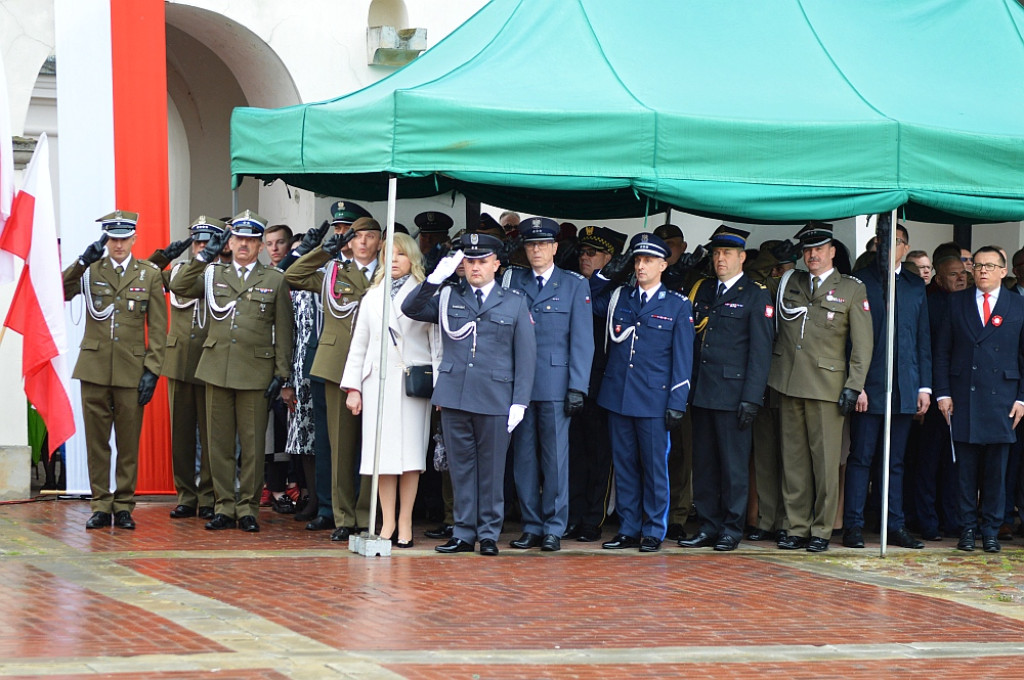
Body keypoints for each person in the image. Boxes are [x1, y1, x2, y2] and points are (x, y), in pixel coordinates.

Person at [402, 233, 537, 556]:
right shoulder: (449, 296)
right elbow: (411, 308)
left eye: (482, 261)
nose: (475, 267)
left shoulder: (514, 301)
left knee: (491, 470)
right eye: (470, 261)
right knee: (460, 468)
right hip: (455, 394)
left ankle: (488, 532)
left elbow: (526, 356)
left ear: (496, 264)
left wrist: (520, 400)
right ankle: (463, 531)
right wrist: (434, 279)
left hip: (495, 396)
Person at [169, 210, 294, 533]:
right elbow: (179, 285)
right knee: (219, 444)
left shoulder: (274, 280)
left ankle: (248, 507)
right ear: (230, 240)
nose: (243, 245)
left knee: (252, 446)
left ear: (260, 246)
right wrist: (205, 255)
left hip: (255, 370)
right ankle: (224, 505)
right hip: (216, 368)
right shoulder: (213, 275)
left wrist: (281, 374)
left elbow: (284, 330)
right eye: (238, 238)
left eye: (251, 240)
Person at [768, 221, 872, 552]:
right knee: (794, 462)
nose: (812, 255)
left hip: (827, 386)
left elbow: (862, 345)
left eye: (818, 249)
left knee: (825, 464)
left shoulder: (852, 288)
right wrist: (778, 261)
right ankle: (796, 527)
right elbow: (755, 284)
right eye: (807, 250)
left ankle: (822, 529)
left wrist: (854, 386)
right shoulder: (790, 281)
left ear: (831, 252)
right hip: (788, 381)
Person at [590, 232, 695, 552]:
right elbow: (588, 300)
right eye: (637, 260)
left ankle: (653, 529)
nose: (640, 266)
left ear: (663, 264)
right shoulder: (621, 297)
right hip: (618, 395)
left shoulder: (677, 305)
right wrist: (607, 273)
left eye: (648, 260)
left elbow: (682, 358)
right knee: (624, 465)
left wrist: (677, 400)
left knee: (653, 468)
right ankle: (628, 526)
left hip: (653, 399)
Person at [62, 211, 166, 530]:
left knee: (128, 441)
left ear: (134, 239)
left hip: (131, 369)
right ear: (106, 240)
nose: (118, 244)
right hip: (94, 368)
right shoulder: (91, 270)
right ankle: (100, 504)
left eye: (124, 238)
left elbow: (159, 328)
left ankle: (123, 505)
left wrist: (152, 370)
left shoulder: (148, 273)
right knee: (97, 442)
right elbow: (60, 291)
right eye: (113, 238)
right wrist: (81, 260)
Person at [284, 207, 380, 541]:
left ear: (380, 241)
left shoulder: (387, 273)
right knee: (339, 446)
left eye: (369, 236)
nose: (363, 242)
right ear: (349, 243)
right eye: (357, 236)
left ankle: (367, 514)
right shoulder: (332, 272)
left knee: (372, 445)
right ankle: (343, 516)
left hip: (376, 366)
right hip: (337, 363)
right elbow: (292, 275)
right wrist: (324, 249)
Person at [340, 232, 440, 548]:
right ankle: (387, 522)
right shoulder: (372, 296)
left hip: (413, 384)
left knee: (411, 458)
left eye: (400, 254)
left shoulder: (425, 294)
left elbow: (437, 345)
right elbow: (360, 345)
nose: (394, 260)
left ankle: (406, 522)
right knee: (382, 458)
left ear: (412, 259)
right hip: (378, 384)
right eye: (389, 254)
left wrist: (441, 386)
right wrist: (353, 388)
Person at [679, 226, 773, 551]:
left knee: (733, 467)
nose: (720, 259)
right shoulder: (703, 290)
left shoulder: (755, 294)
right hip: (703, 391)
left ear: (742, 257)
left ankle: (732, 528)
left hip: (733, 396)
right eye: (717, 253)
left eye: (727, 253)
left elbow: (760, 352)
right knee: (704, 463)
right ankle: (708, 524)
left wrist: (751, 398)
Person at [503, 217, 594, 552]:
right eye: (530, 244)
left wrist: (577, 387)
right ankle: (531, 524)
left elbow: (583, 341)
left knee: (556, 459)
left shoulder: (573, 285)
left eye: (542, 244)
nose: (536, 250)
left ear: (555, 247)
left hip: (556, 384)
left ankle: (554, 526)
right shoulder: (514, 283)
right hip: (520, 386)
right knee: (524, 458)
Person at [843, 223, 931, 550]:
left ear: (905, 248)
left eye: (893, 242)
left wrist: (925, 387)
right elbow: (849, 340)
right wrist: (858, 385)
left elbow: (922, 340)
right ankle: (853, 524)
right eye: (881, 241)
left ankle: (893, 523)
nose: (886, 247)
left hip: (904, 386)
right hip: (870, 385)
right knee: (861, 457)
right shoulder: (861, 282)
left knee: (894, 462)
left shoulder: (912, 285)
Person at [935, 246, 1024, 553]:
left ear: (1003, 272)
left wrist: (1022, 399)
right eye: (978, 265)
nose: (983, 270)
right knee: (965, 471)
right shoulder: (956, 302)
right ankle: (968, 528)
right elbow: (943, 351)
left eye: (990, 266)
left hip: (1003, 397)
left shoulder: (1018, 305)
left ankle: (991, 529)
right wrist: (943, 393)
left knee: (996, 472)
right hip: (963, 396)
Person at [149, 216, 224, 520]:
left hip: (210, 362)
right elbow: (146, 276)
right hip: (179, 362)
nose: (200, 247)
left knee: (209, 435)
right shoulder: (180, 271)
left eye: (207, 242)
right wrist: (164, 255)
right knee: (181, 434)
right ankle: (186, 495)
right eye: (197, 242)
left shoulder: (222, 275)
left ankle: (208, 496)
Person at [565, 226, 627, 542]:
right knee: (575, 454)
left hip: (603, 383)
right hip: (575, 382)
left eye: (592, 253)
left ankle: (593, 518)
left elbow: (594, 307)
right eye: (582, 252)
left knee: (600, 456)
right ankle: (573, 515)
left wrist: (603, 280)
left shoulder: (617, 290)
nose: (584, 257)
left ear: (609, 259)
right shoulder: (575, 283)